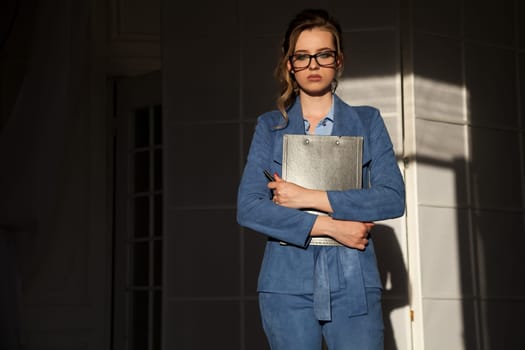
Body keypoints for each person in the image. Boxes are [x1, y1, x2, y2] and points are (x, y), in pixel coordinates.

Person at [236, 8, 405, 350]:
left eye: (323, 54)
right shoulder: (270, 126)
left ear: (338, 60)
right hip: (286, 286)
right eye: (302, 56)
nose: (313, 65)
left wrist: (308, 197)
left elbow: (392, 197)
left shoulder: (367, 121)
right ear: (289, 65)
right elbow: (249, 208)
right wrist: (331, 227)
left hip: (354, 283)